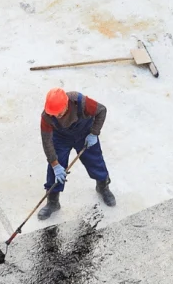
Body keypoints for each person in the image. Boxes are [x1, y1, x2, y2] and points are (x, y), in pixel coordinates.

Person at [38, 87, 115, 220]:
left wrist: (94, 133)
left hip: (85, 133)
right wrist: (55, 165)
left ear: (66, 104)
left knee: (95, 161)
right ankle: (53, 202)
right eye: (53, 114)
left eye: (59, 112)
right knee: (54, 170)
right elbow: (47, 142)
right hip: (61, 138)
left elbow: (102, 110)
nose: (56, 116)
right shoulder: (46, 116)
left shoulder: (80, 101)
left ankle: (103, 187)